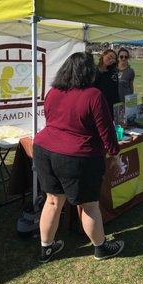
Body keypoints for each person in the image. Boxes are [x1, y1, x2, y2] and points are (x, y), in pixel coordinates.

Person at [33, 52, 124, 263]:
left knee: (53, 200)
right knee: (89, 204)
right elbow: (106, 130)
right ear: (89, 71)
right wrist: (115, 153)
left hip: (44, 149)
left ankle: (46, 248)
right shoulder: (93, 94)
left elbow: (51, 120)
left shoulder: (53, 92)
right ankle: (101, 248)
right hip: (76, 155)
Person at [94, 49, 119, 117]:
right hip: (99, 105)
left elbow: (115, 90)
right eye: (109, 56)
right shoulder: (94, 71)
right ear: (103, 55)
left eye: (113, 59)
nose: (111, 59)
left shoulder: (113, 72)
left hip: (112, 106)